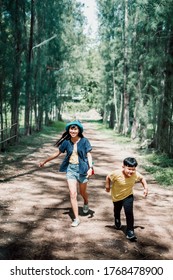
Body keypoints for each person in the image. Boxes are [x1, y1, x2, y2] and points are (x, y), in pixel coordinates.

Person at [39, 120, 93, 227]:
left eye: (75, 129)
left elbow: (89, 155)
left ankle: (86, 202)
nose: (73, 131)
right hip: (71, 169)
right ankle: (76, 218)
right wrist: (45, 161)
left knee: (82, 193)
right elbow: (57, 153)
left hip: (82, 170)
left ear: (79, 130)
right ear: (68, 130)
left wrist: (90, 168)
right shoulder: (66, 142)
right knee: (73, 194)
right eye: (71, 129)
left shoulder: (84, 141)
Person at [105, 157, 148, 240]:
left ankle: (130, 231)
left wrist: (145, 188)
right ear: (123, 167)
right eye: (129, 169)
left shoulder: (135, 174)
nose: (131, 171)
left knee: (129, 212)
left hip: (128, 196)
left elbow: (142, 178)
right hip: (116, 197)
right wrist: (107, 186)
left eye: (133, 169)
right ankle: (117, 219)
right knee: (117, 210)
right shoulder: (116, 174)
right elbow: (108, 177)